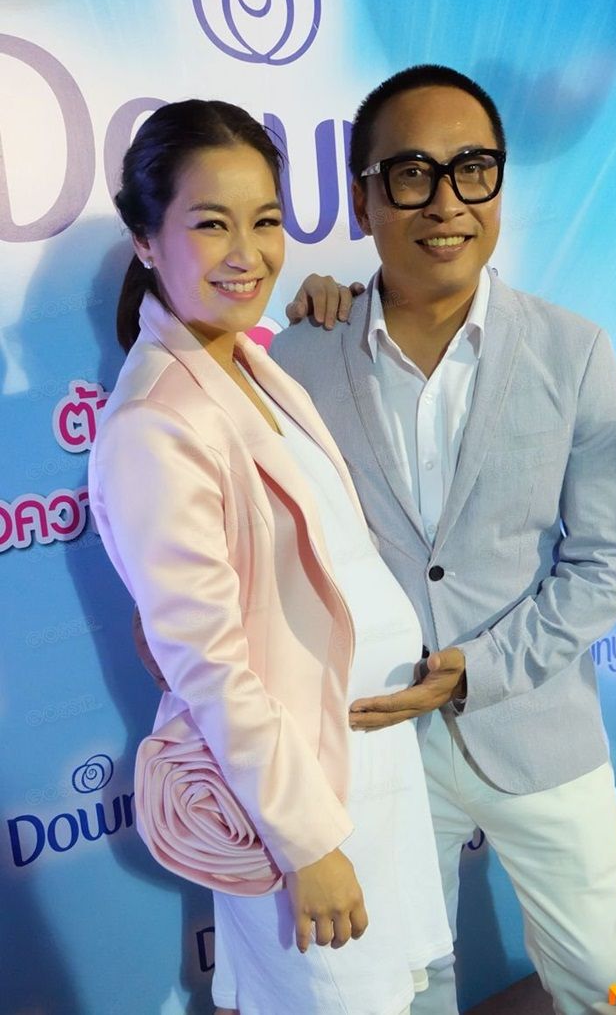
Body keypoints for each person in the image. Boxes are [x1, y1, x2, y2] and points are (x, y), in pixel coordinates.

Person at [266, 65, 616, 1015]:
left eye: (473, 168)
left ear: (499, 185)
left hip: (538, 728)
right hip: (379, 745)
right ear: (362, 199)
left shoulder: (574, 351)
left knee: (602, 975)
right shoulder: (301, 357)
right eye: (411, 173)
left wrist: (481, 669)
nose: (446, 202)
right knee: (414, 985)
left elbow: (607, 560)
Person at [88, 98, 452, 1015]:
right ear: (145, 240)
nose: (247, 253)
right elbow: (207, 662)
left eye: (265, 221)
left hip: (364, 768)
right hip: (298, 797)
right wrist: (307, 842)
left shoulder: (250, 365)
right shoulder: (153, 422)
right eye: (211, 224)